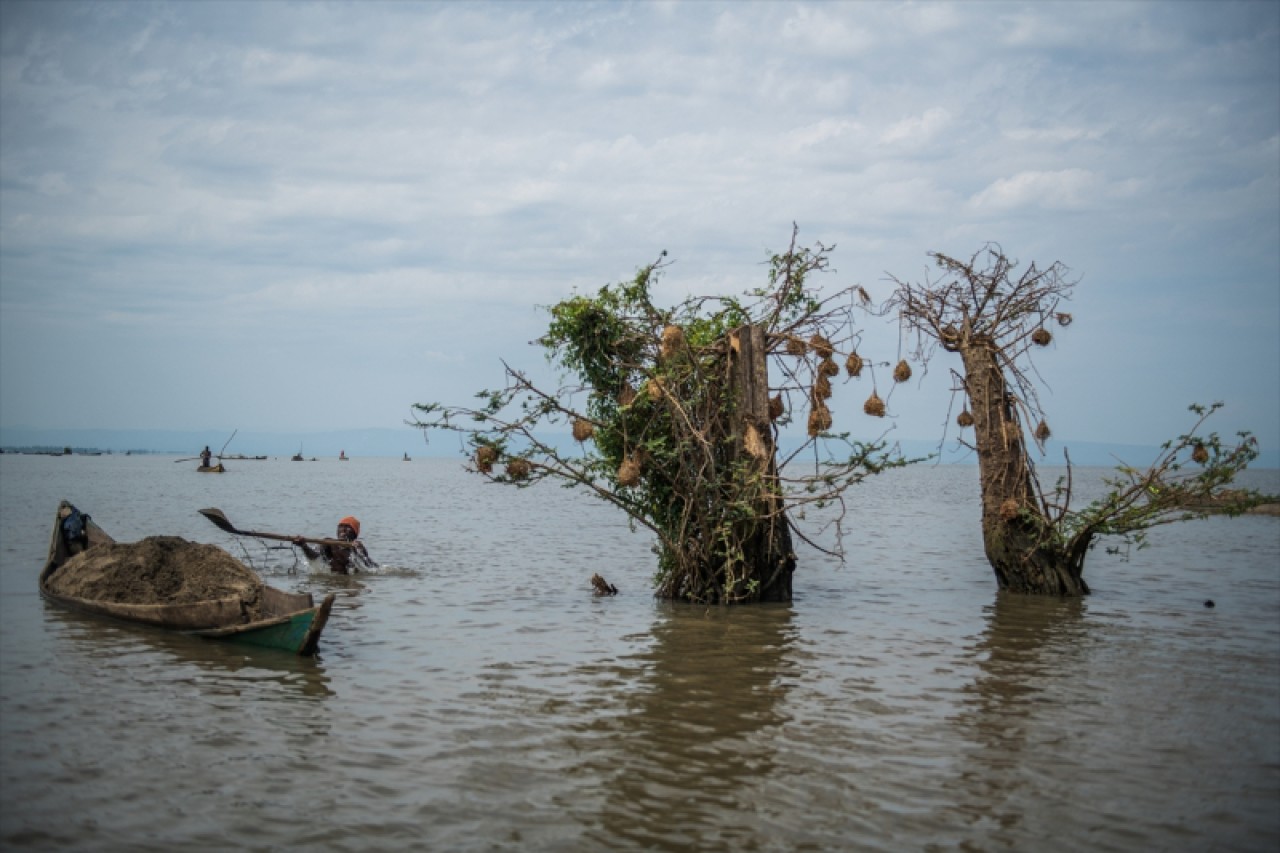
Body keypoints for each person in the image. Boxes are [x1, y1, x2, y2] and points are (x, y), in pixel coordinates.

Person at [293, 516, 375, 574]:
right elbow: (314, 557)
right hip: (332, 580)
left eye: (347, 527)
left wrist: (359, 552)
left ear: (354, 533)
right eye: (341, 526)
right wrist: (304, 546)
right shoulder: (328, 544)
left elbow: (370, 568)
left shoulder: (357, 548)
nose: (343, 529)